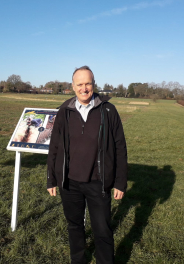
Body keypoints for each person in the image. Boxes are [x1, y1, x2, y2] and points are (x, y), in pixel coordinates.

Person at [47, 66, 128, 264]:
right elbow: (54, 146)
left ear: (94, 84)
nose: (84, 88)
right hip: (70, 182)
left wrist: (120, 182)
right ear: (73, 86)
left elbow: (120, 147)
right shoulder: (64, 111)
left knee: (102, 229)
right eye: (80, 84)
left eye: (88, 83)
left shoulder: (108, 110)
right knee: (74, 227)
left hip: (98, 182)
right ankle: (78, 260)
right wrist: (51, 178)